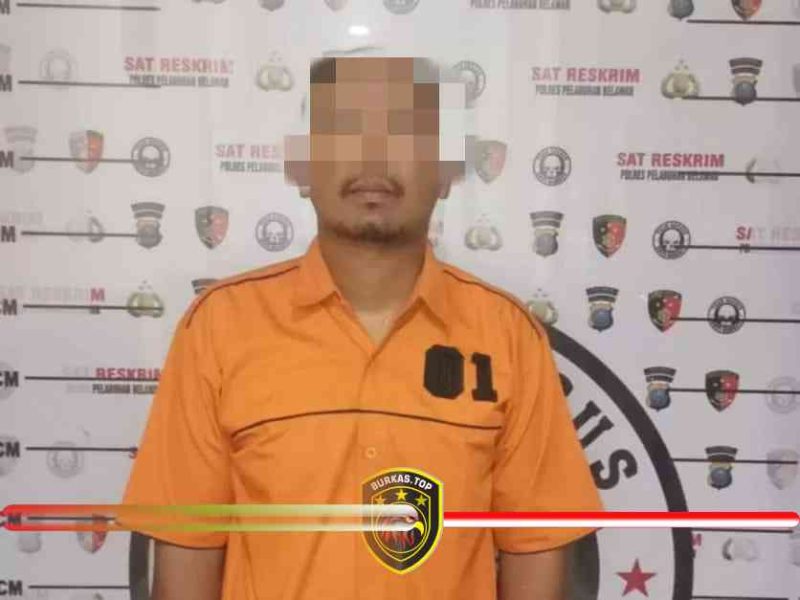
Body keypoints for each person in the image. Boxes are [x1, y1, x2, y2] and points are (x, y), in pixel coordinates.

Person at [121, 54, 603, 600]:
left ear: (446, 172)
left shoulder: (509, 337)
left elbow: (536, 546)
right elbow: (186, 547)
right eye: (345, 130)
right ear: (302, 168)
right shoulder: (219, 328)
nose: (373, 157)